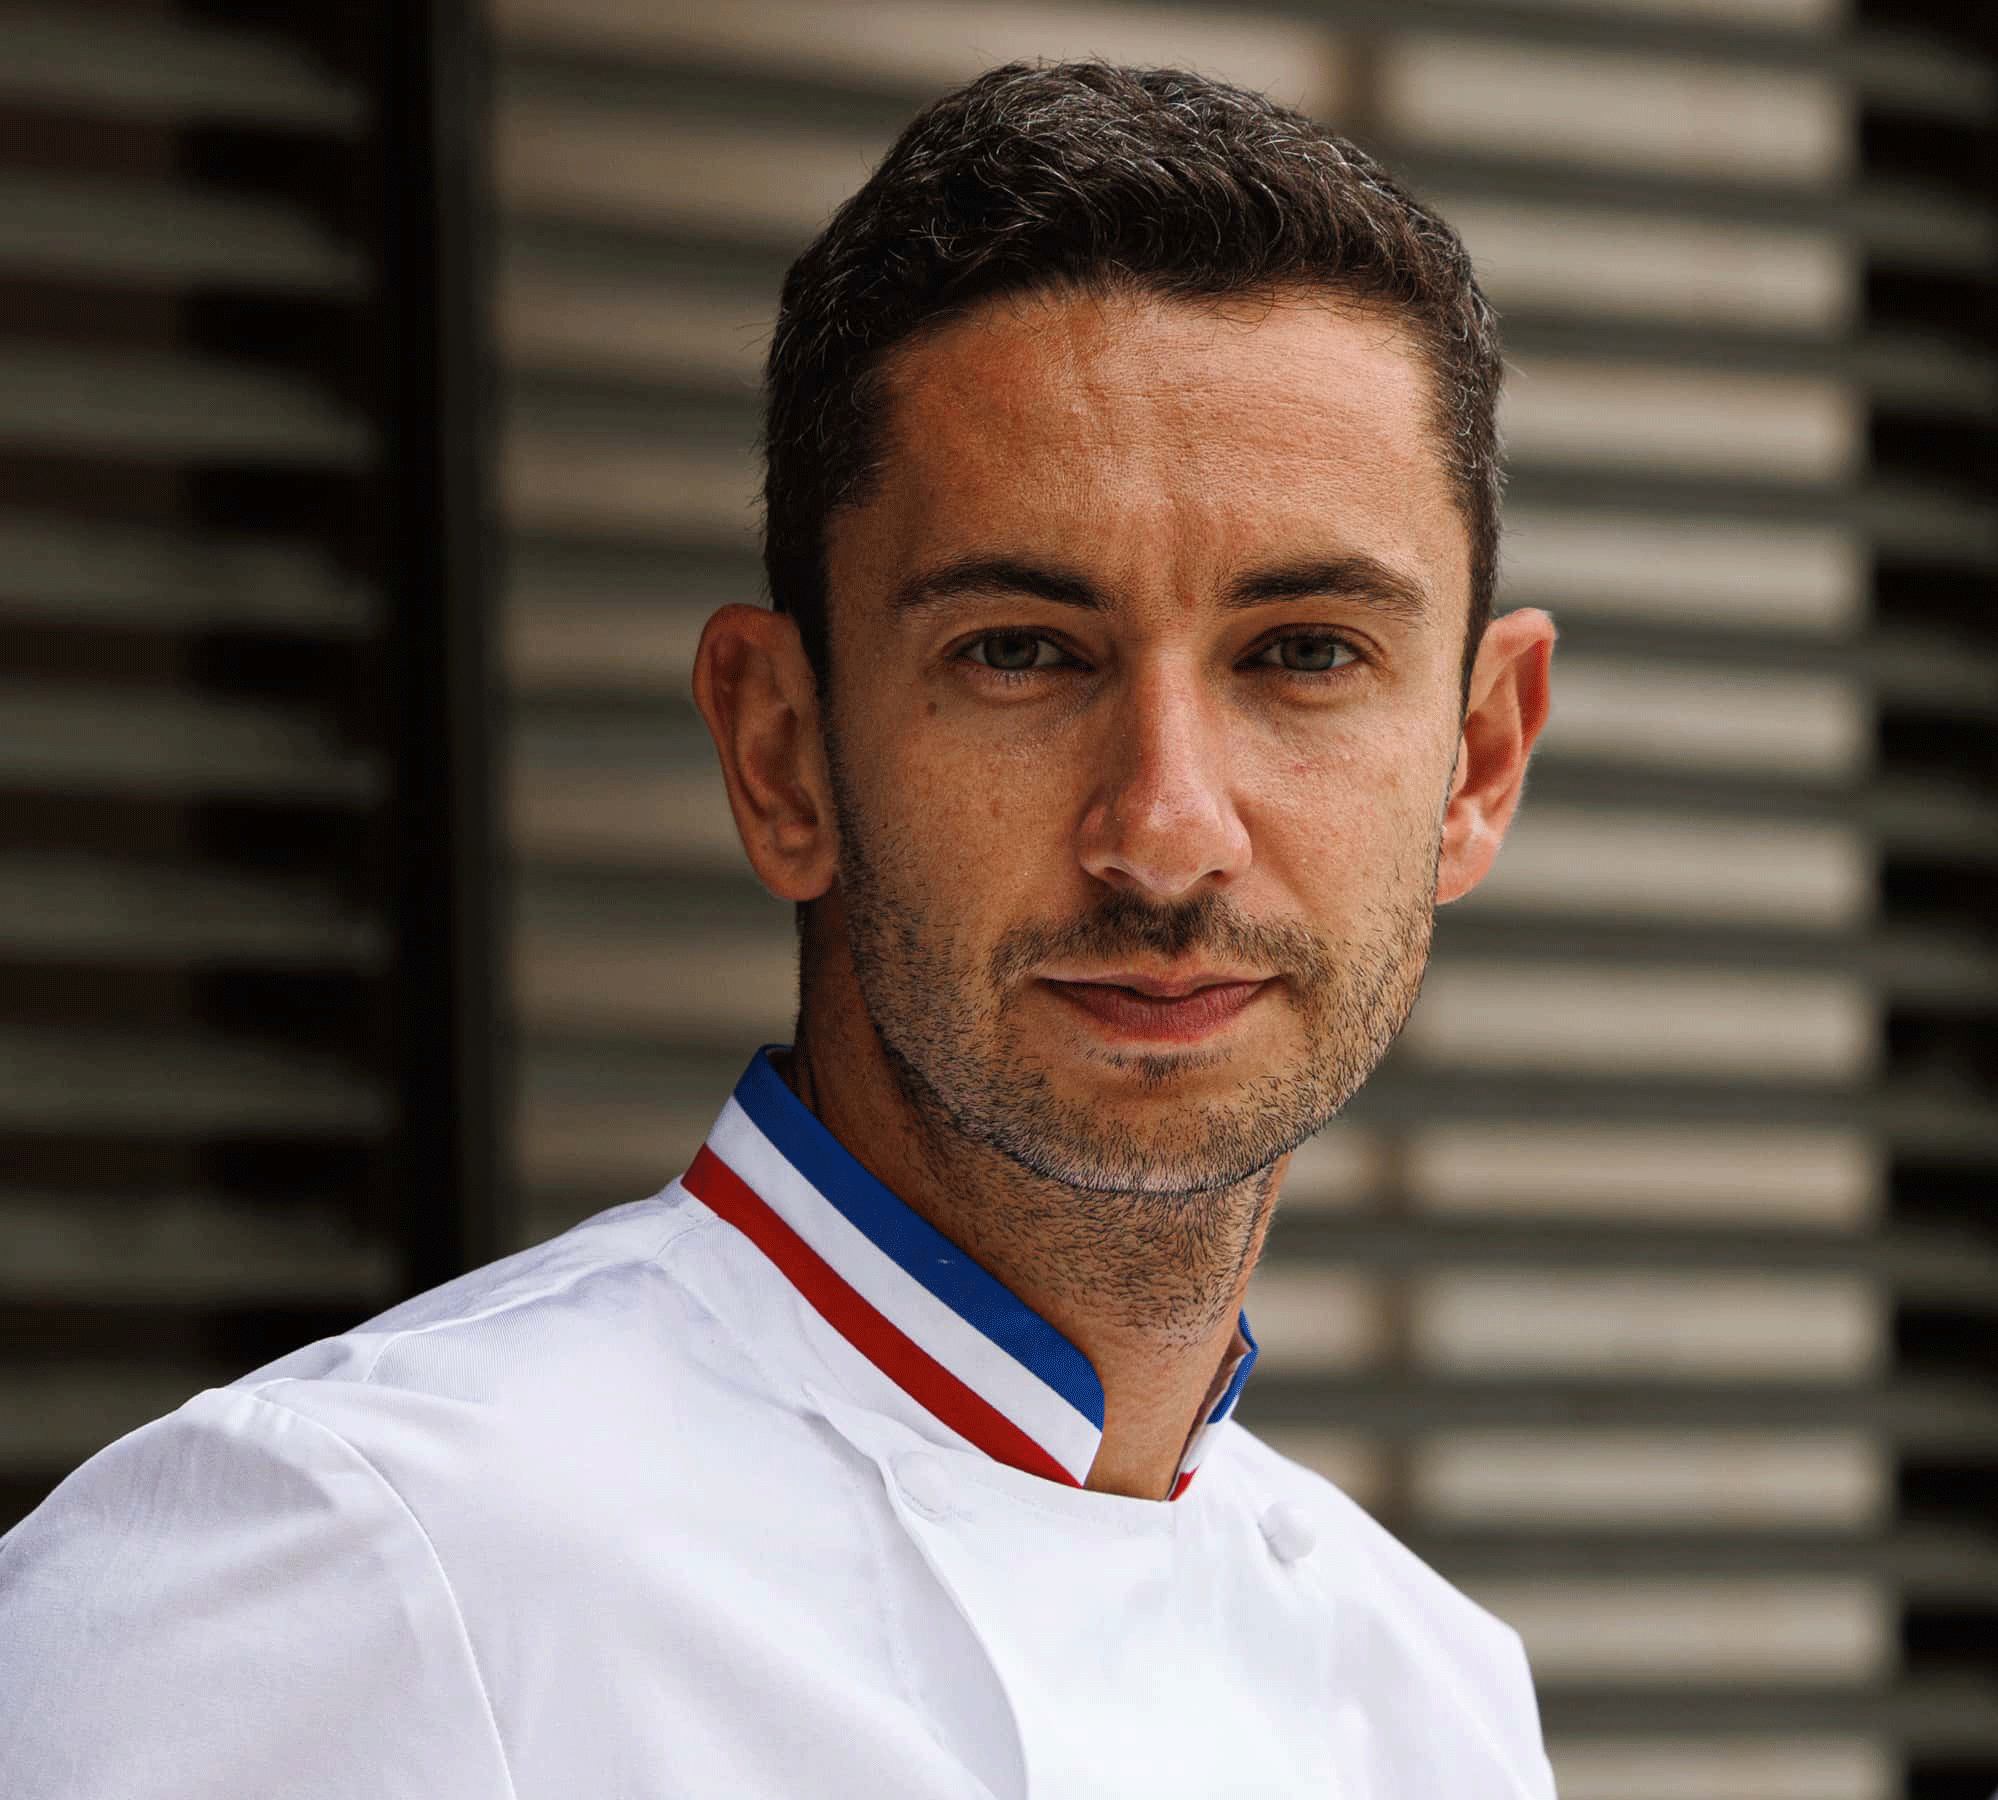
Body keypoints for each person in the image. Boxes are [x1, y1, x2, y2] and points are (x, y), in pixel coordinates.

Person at [0, 61, 1556, 1798]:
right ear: (780, 753)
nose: (1165, 830)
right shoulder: (347, 1565)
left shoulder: (1430, 1700)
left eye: (1305, 653)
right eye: (1019, 651)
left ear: (1479, 761)